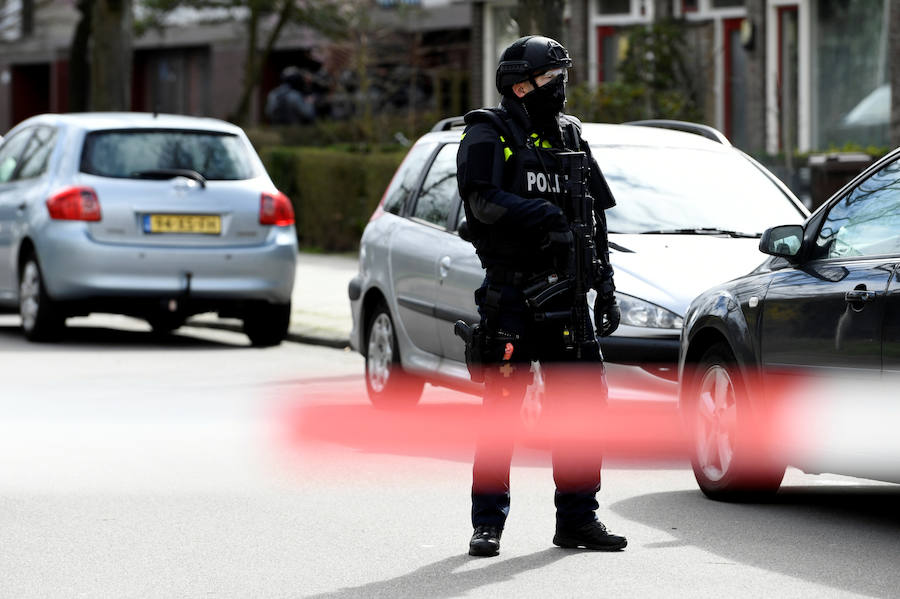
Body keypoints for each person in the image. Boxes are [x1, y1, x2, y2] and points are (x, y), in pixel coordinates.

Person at [456, 35, 626, 557]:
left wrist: (606, 285)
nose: (562, 89)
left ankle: (577, 519)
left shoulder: (571, 134)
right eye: (553, 79)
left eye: (562, 77)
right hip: (513, 296)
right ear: (522, 85)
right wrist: (542, 217)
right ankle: (488, 524)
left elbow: (594, 216)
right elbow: (481, 202)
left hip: (570, 300)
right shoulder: (488, 133)